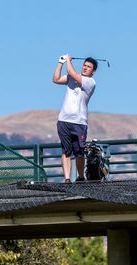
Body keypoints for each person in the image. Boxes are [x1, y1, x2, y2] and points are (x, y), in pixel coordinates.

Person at [53, 55, 97, 183]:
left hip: (79, 123)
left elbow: (71, 72)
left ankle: (81, 177)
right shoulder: (71, 77)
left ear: (93, 71)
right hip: (64, 120)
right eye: (84, 65)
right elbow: (55, 79)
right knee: (66, 151)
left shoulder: (90, 82)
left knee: (79, 152)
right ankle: (67, 178)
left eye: (89, 67)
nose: (85, 68)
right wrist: (60, 62)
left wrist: (68, 60)